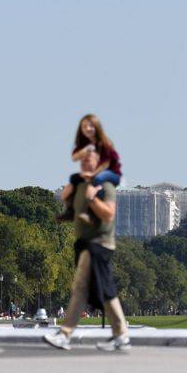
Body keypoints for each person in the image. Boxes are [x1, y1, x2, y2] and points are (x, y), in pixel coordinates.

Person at [44, 149, 130, 351]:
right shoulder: (82, 184)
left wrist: (92, 198)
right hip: (86, 243)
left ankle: (65, 334)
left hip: (99, 244)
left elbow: (108, 215)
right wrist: (74, 186)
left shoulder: (105, 186)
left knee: (82, 288)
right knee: (103, 290)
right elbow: (67, 199)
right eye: (82, 161)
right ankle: (121, 334)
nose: (84, 164)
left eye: (88, 161)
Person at [56, 115, 123, 223]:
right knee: (74, 178)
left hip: (111, 172)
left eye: (90, 126)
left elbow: (106, 163)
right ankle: (70, 210)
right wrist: (84, 151)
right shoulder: (85, 144)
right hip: (95, 172)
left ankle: (92, 213)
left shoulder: (104, 143)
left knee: (97, 180)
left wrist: (93, 175)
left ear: (97, 127)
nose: (87, 129)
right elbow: (74, 157)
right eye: (84, 127)